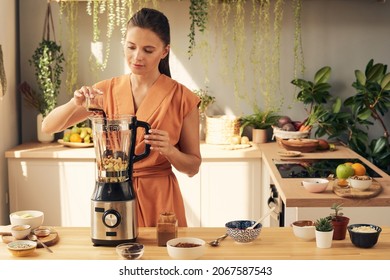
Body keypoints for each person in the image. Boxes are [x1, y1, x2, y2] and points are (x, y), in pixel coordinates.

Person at [42, 8, 201, 227]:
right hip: (113, 194)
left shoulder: (183, 98)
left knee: (163, 259)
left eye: (148, 50)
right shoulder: (104, 91)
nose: (137, 57)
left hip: (161, 199)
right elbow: (48, 126)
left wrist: (171, 151)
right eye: (131, 47)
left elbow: (192, 167)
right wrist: (74, 103)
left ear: (165, 51)